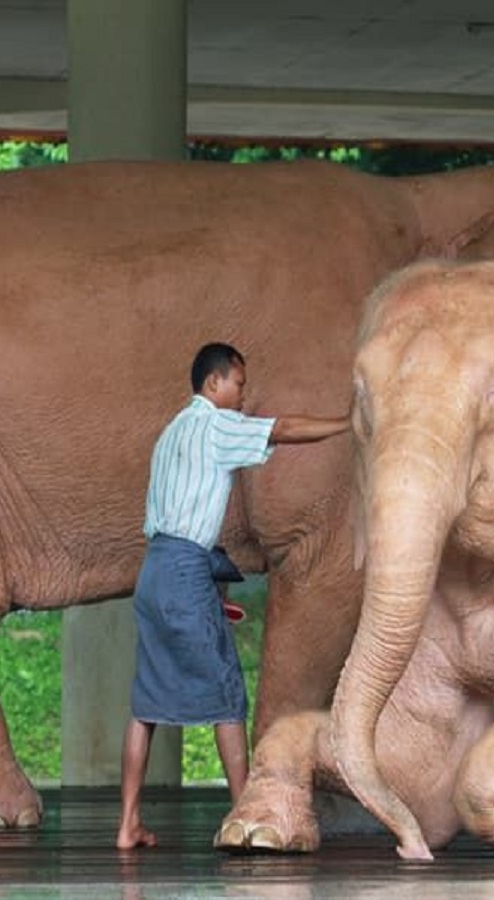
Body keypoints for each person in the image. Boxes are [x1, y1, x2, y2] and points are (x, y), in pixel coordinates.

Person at [116, 342, 350, 850]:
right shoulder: (214, 425)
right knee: (227, 696)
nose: (242, 396)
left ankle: (127, 824)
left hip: (154, 570)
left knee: (146, 704)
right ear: (213, 383)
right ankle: (248, 814)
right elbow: (282, 429)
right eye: (239, 385)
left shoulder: (172, 432)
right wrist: (347, 423)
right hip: (181, 572)